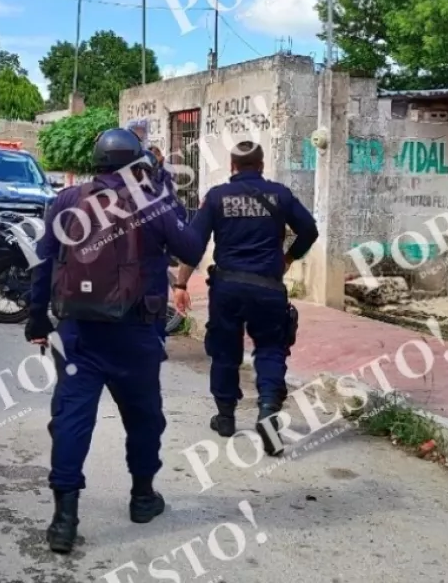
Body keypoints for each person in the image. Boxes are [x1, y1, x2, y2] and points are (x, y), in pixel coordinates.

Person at [25, 128, 204, 554]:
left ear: (97, 162)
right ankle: (143, 498)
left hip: (77, 335)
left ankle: (63, 520)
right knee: (144, 418)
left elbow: (44, 262)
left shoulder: (67, 201)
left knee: (71, 419)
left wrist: (36, 319)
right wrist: (164, 190)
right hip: (135, 333)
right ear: (137, 162)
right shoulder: (152, 201)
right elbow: (192, 247)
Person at [172, 141, 319, 457]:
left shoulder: (215, 198)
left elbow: (193, 245)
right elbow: (309, 229)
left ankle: (225, 417)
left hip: (227, 288)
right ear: (262, 165)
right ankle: (267, 408)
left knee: (225, 350)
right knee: (270, 348)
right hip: (268, 287)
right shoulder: (280, 195)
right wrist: (289, 258)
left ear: (232, 166)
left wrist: (181, 283)